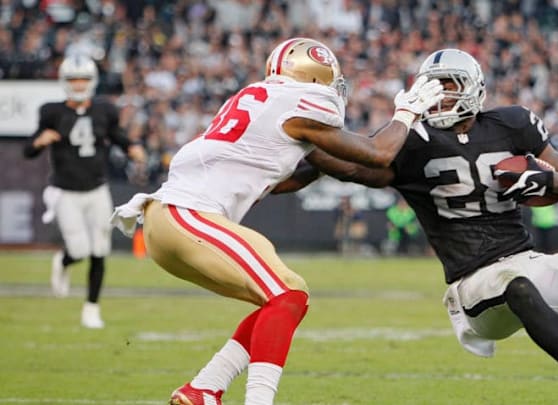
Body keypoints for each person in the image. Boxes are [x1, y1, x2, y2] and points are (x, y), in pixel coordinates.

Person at [288, 49, 558, 405]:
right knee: (516, 286)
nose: (440, 96)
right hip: (471, 283)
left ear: (472, 87)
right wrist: (304, 138)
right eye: (433, 86)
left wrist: (548, 182)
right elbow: (355, 166)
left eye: (448, 85)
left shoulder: (512, 124)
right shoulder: (414, 142)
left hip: (523, 257)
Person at [110, 37, 443, 405]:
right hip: (187, 216)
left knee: (285, 299)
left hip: (167, 224)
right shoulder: (299, 107)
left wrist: (353, 156)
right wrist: (406, 115)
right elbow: (377, 154)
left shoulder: (267, 101)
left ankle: (204, 388)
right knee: (288, 293)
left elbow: (305, 175)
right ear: (314, 76)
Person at [23, 54, 146, 329]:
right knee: (78, 250)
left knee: (100, 248)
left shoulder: (104, 110)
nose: (79, 85)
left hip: (96, 187)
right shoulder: (51, 112)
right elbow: (28, 150)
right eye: (73, 80)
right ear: (65, 81)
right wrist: (39, 142)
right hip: (66, 190)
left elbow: (116, 135)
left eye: (83, 79)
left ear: (93, 81)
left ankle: (91, 307)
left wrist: (131, 147)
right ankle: (64, 261)